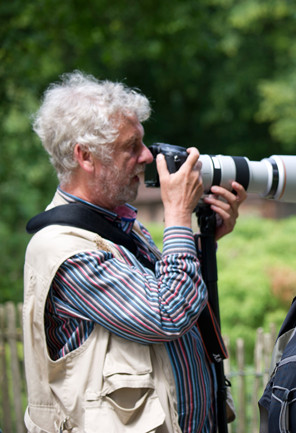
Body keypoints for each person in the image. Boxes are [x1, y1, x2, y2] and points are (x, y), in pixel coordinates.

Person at [23, 71, 247, 432]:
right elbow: (168, 314)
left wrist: (203, 241)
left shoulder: (119, 229)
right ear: (85, 156)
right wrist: (177, 215)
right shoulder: (64, 250)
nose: (146, 156)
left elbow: (180, 296)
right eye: (131, 146)